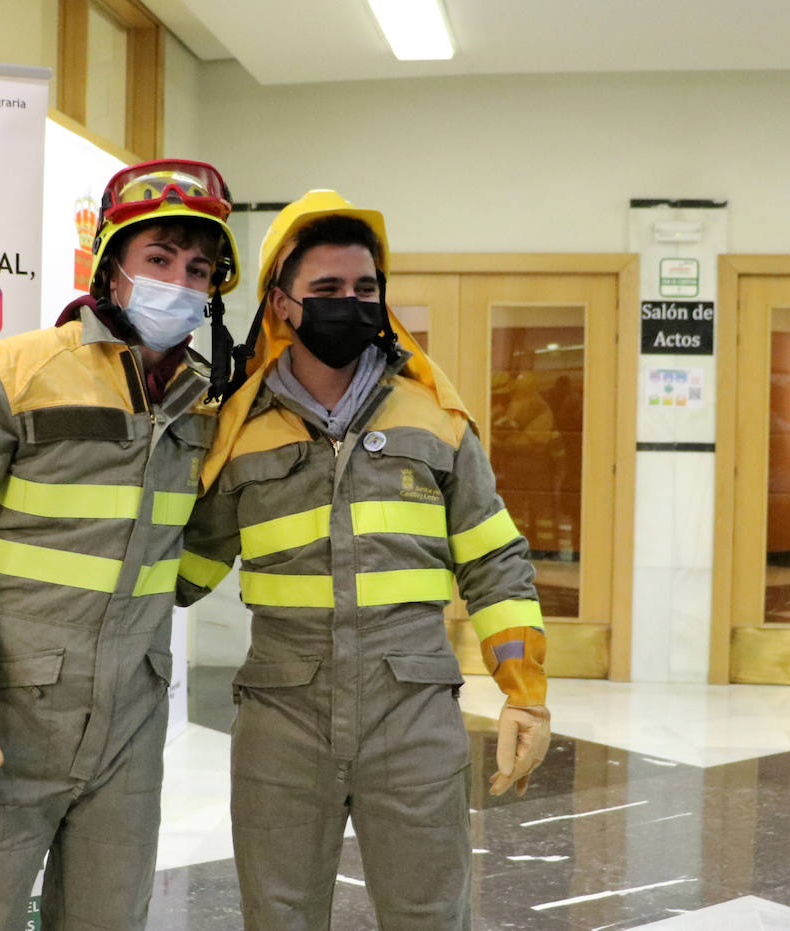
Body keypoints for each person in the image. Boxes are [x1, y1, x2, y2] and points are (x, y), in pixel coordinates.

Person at [177, 190, 551, 930]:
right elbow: (175, 567)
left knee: (430, 915)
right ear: (281, 303)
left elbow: (495, 559)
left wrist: (525, 689)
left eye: (365, 289)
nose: (350, 303)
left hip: (410, 712)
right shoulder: (235, 430)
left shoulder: (435, 417)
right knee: (279, 915)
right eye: (326, 290)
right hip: (282, 717)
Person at [0, 159, 241, 930]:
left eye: (199, 268)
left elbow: (188, 568)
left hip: (129, 727)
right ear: (112, 267)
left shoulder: (207, 404)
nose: (179, 283)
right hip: (6, 717)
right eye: (160, 260)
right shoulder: (15, 372)